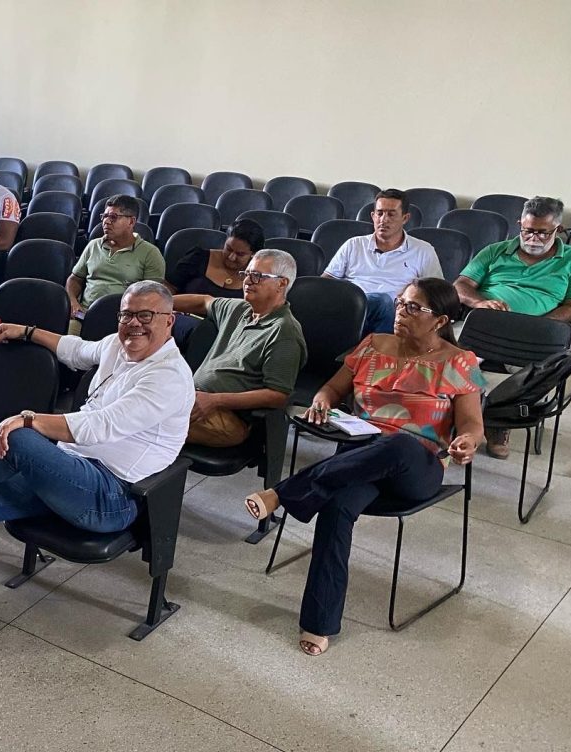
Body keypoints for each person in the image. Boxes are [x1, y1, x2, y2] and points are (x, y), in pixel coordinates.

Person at [0, 280, 195, 644]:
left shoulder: (168, 377)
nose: (133, 324)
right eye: (126, 314)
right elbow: (76, 350)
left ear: (169, 320)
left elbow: (99, 426)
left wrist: (27, 419)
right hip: (70, 473)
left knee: (19, 437)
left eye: (145, 315)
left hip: (111, 496)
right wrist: (26, 331)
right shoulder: (118, 344)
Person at [244, 277, 484, 656]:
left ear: (440, 321)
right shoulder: (373, 344)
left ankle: (284, 493)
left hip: (417, 466)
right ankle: (319, 622)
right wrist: (322, 402)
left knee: (398, 443)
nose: (400, 312)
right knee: (337, 506)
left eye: (413, 308)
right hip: (359, 457)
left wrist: (467, 441)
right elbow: (331, 389)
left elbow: (472, 424)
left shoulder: (459, 361)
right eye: (400, 303)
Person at [453, 196, 571, 458]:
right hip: (486, 325)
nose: (533, 238)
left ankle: (499, 420)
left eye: (542, 233)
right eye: (527, 230)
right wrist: (480, 302)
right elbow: (461, 286)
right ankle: (469, 411)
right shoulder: (495, 250)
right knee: (454, 361)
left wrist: (541, 325)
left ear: (558, 229)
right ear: (519, 223)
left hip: (536, 332)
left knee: (535, 376)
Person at [173, 250, 306, 447]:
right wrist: (158, 304)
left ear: (281, 283)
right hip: (195, 398)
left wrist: (215, 400)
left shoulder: (284, 331)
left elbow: (278, 396)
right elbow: (204, 301)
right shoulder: (240, 309)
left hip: (228, 417)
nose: (247, 281)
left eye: (257, 276)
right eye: (246, 274)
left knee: (147, 419)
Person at [323, 189, 442, 335]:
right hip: (351, 309)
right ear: (373, 216)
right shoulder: (354, 245)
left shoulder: (423, 250)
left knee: (382, 300)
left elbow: (437, 293)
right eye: (379, 213)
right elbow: (327, 280)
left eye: (391, 214)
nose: (383, 220)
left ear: (405, 218)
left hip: (396, 312)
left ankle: (378, 347)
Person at [67, 194, 166, 335]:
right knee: (67, 339)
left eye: (113, 217)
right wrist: (73, 301)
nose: (106, 222)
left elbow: (152, 297)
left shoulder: (150, 253)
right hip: (85, 315)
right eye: (104, 216)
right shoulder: (93, 246)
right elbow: (75, 279)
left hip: (125, 321)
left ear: (131, 221)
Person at [166, 219, 265, 297]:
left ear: (253, 254)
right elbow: (169, 288)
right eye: (229, 249)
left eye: (240, 254)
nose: (231, 257)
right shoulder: (198, 258)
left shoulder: (257, 276)